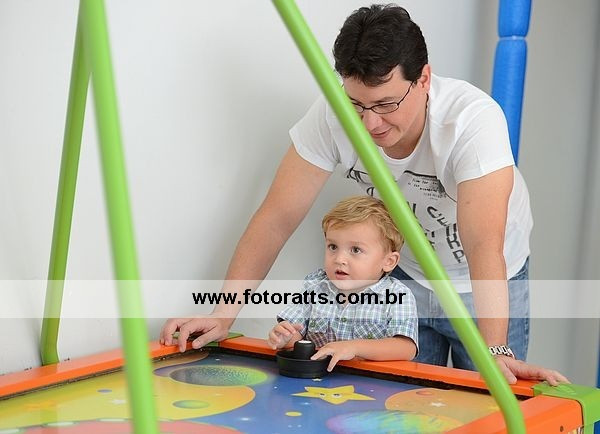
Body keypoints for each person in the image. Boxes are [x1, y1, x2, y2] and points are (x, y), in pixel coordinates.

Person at [161, 4, 568, 385]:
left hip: (484, 281)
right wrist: (223, 314)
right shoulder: (332, 116)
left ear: (424, 79)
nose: (370, 124)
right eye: (356, 104)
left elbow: (483, 245)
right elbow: (276, 218)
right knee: (403, 407)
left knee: (489, 402)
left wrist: (494, 348)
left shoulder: (472, 122)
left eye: (386, 104)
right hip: (404, 276)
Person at [267, 196, 418, 372]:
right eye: (333, 247)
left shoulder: (398, 294)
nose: (339, 259)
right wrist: (285, 338)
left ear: (388, 261)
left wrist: (353, 347)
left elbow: (406, 348)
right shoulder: (314, 285)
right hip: (317, 380)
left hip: (371, 383)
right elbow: (296, 339)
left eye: (356, 250)